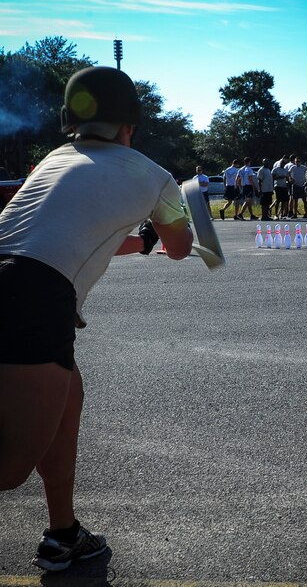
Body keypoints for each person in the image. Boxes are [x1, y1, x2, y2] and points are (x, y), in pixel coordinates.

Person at [0, 66, 193, 572]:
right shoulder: (154, 175)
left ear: (72, 121)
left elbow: (75, 235)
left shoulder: (56, 159)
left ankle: (62, 534)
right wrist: (181, 212)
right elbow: (181, 249)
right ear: (132, 123)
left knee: (69, 403)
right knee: (9, 467)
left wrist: (140, 240)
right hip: (32, 295)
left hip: (16, 280)